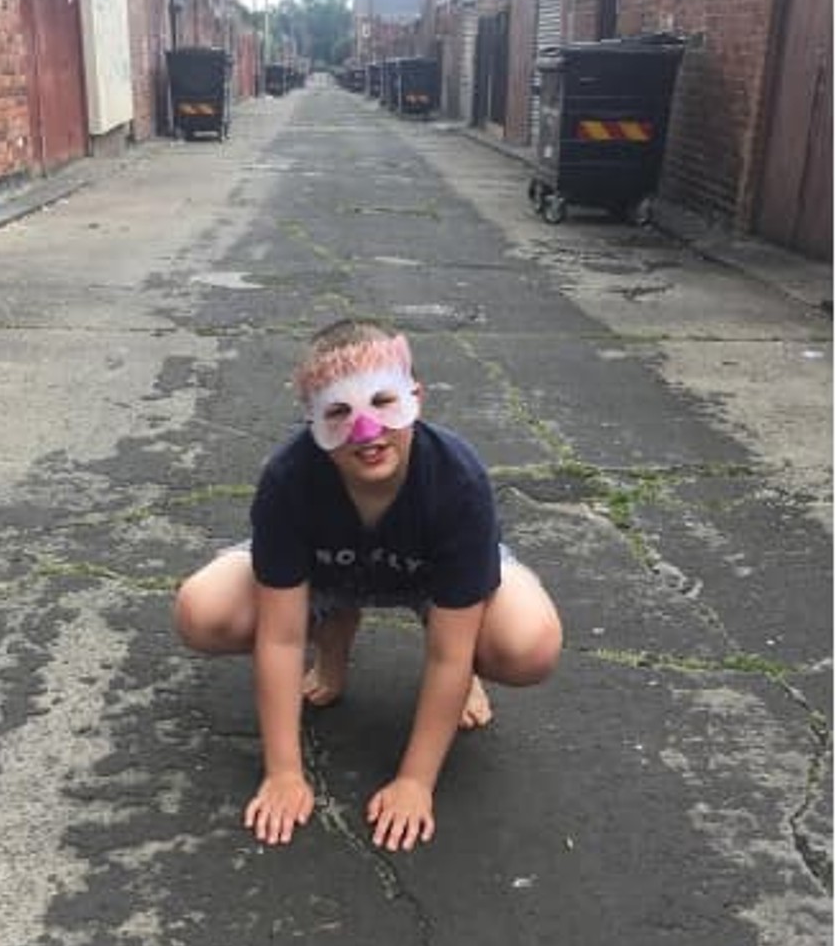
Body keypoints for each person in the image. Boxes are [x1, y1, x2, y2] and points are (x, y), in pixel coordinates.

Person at [174, 319, 562, 852]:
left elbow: (447, 654)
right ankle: (335, 637)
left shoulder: (457, 480)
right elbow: (281, 637)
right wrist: (284, 772)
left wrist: (415, 782)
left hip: (432, 581)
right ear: (312, 422)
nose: (366, 430)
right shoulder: (290, 478)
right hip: (329, 574)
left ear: (416, 398)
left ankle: (478, 647)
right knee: (202, 611)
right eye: (339, 411)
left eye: (383, 402)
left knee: (528, 646)